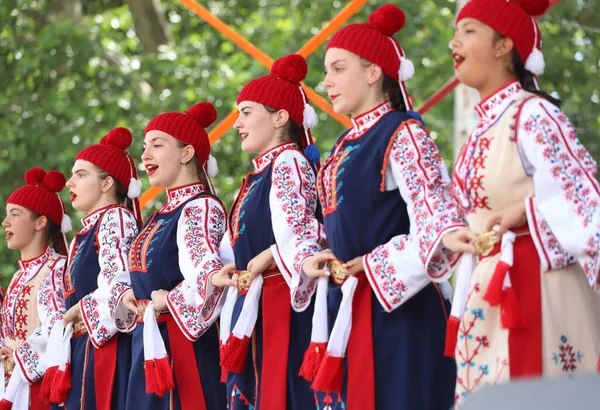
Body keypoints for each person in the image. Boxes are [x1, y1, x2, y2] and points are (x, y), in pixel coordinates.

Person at [300, 4, 469, 410]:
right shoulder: (343, 146)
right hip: (351, 306)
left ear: (374, 71)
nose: (326, 82)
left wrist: (372, 265)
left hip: (401, 314)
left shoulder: (403, 132)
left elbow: (436, 221)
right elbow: (338, 224)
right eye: (327, 71)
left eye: (338, 69)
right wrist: (316, 256)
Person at [445, 0, 600, 405]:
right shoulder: (484, 126)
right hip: (489, 290)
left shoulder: (532, 114)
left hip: (538, 289)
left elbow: (584, 200)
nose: (453, 42)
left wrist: (525, 212)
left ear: (503, 46)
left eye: (469, 31)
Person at [214, 53, 326, 410]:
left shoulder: (288, 161)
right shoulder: (260, 174)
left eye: (246, 112)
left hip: (283, 308)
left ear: (280, 117)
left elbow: (304, 236)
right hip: (259, 308)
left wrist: (269, 256)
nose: (237, 123)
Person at [115, 102, 226, 410]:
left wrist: (168, 300)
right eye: (144, 147)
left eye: (157, 145)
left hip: (184, 348)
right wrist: (127, 295)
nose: (145, 155)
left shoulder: (200, 207)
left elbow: (209, 274)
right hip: (149, 343)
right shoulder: (161, 214)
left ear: (186, 152)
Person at [52, 127, 141, 410]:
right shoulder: (88, 230)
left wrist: (77, 311)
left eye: (80, 175)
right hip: (84, 346)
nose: (69, 182)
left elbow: (120, 284)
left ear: (106, 184)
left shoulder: (115, 217)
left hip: (105, 351)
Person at [0, 168, 70, 409]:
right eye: (6, 214)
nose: (5, 222)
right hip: (12, 384)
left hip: (38, 389)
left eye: (15, 214)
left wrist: (17, 355)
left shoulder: (56, 268)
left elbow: (56, 329)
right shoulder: (19, 276)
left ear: (40, 222)